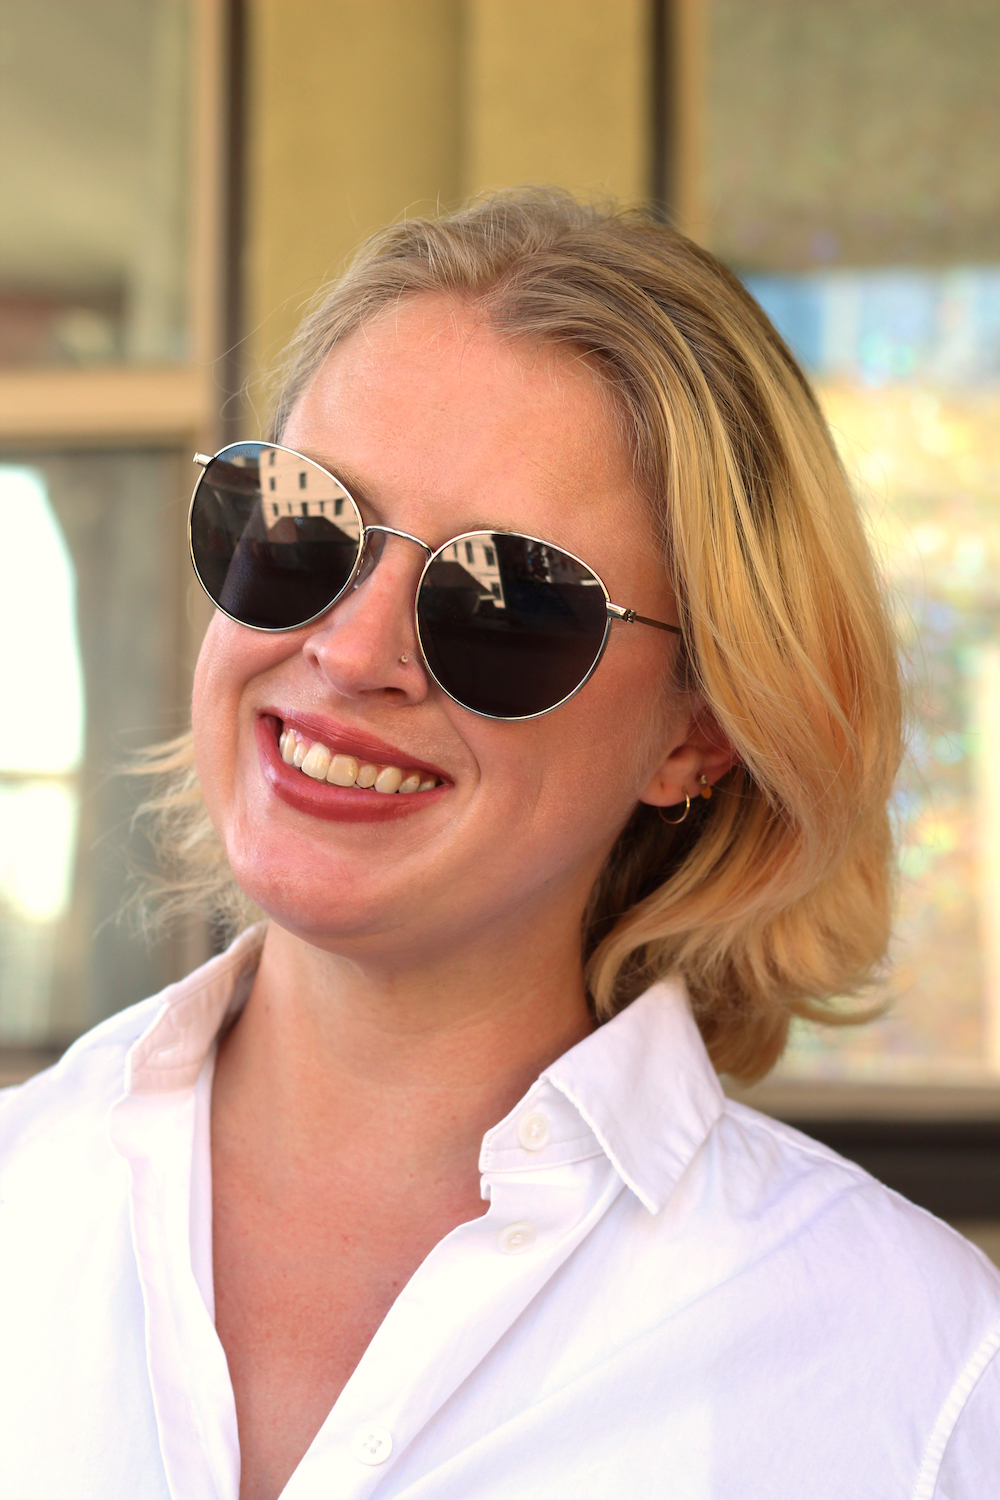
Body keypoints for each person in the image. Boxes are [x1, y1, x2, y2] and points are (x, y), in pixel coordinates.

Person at [1, 191, 997, 1500]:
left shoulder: (917, 1378)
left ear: (698, 734)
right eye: (304, 527)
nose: (350, 653)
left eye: (508, 599)